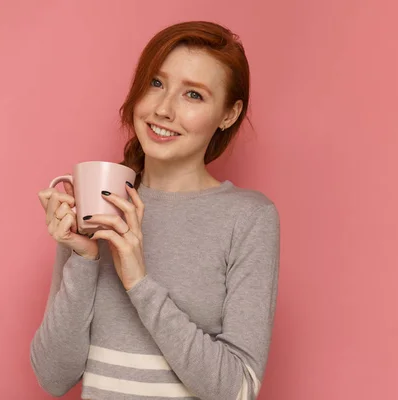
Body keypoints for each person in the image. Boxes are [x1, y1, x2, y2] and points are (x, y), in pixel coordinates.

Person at [31, 21, 280, 400]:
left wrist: (139, 283)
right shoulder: (99, 203)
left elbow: (237, 389)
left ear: (229, 114)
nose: (163, 109)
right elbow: (53, 377)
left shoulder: (249, 218)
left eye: (193, 95)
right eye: (156, 83)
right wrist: (81, 259)